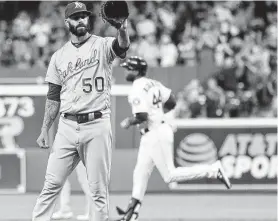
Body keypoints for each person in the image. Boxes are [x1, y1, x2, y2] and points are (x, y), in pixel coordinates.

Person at [32, 2, 130, 221]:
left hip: (96, 124)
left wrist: (122, 28)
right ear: (67, 22)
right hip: (67, 126)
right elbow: (52, 97)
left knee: (98, 191)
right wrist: (44, 129)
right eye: (76, 17)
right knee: (51, 185)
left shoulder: (102, 45)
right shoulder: (58, 56)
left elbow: (122, 48)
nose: (81, 21)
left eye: (84, 16)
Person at [116, 56, 232, 221]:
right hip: (153, 132)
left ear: (135, 70)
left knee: (170, 175)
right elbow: (171, 100)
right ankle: (131, 214)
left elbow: (141, 115)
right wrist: (161, 116)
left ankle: (213, 170)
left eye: (128, 68)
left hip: (155, 133)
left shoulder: (137, 88)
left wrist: (128, 121)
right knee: (140, 172)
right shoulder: (153, 83)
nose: (126, 70)